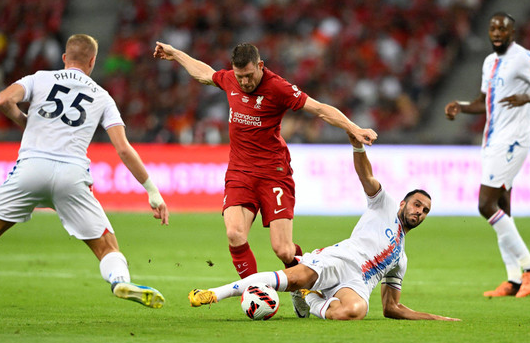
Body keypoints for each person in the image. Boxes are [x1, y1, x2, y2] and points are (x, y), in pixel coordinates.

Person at [0, 34, 169, 333]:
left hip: (31, 167)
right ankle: (120, 282)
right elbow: (123, 148)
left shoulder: (40, 78)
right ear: (92, 62)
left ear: (64, 57)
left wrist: (25, 121)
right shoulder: (102, 95)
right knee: (106, 245)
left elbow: (4, 99)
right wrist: (153, 192)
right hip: (72, 174)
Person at [153, 41, 377, 317]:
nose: (244, 82)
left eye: (249, 75)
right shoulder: (230, 80)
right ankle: (253, 292)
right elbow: (204, 73)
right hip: (239, 173)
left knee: (283, 249)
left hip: (274, 174)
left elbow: (319, 109)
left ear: (260, 66)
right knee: (234, 234)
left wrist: (354, 128)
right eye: (240, 76)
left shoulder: (278, 87)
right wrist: (175, 54)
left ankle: (301, 286)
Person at [188, 134, 459, 321]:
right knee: (289, 278)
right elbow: (366, 176)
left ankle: (311, 298)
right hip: (340, 260)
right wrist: (358, 147)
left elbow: (391, 308)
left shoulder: (401, 258)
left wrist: (436, 317)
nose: (419, 211)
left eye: (425, 211)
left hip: (357, 285)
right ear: (403, 202)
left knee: (355, 312)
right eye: (416, 204)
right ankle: (216, 293)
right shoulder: (384, 204)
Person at [445, 12, 530, 298]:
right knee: (503, 207)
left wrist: (526, 97)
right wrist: (462, 105)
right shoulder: (489, 62)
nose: (496, 32)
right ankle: (514, 279)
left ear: (512, 32)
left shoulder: (523, 58)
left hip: (513, 142)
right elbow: (484, 102)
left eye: (502, 29)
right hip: (492, 140)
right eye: (492, 27)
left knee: (485, 205)